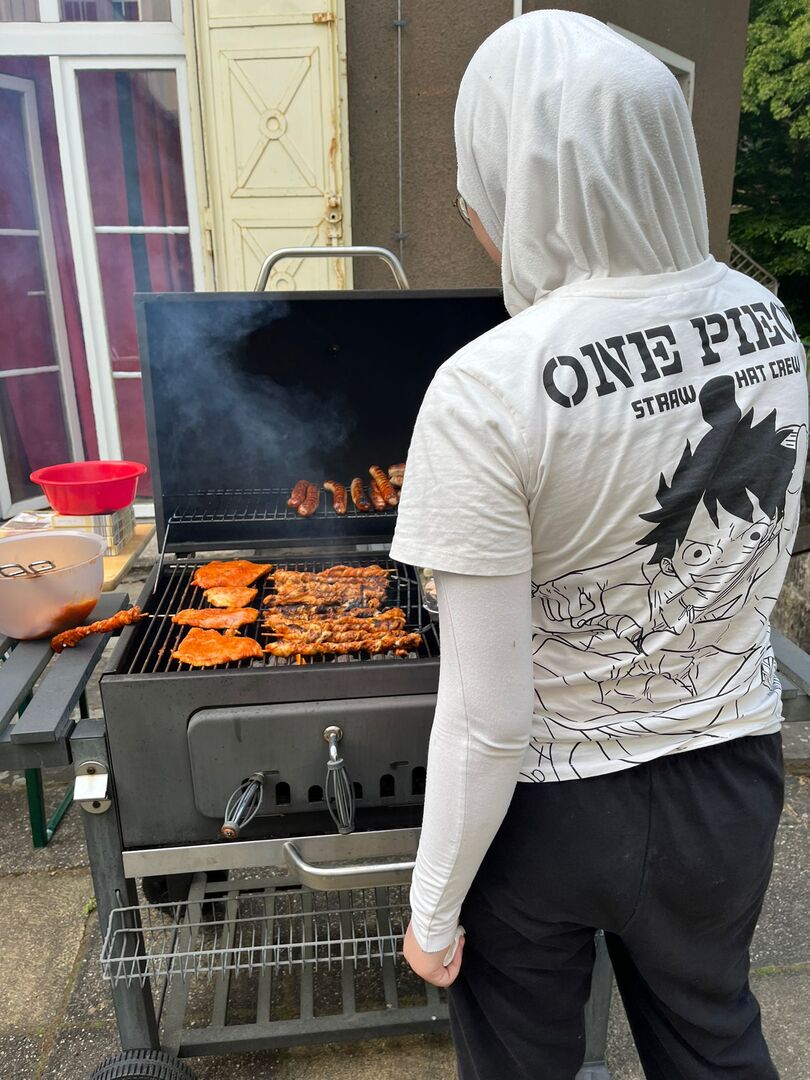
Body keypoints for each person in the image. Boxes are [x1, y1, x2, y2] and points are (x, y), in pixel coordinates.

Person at [389, 11, 808, 1079]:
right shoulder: (767, 323)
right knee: (714, 1043)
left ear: (517, 180)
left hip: (549, 814)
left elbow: (488, 718)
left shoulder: (485, 390)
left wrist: (432, 908)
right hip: (728, 782)